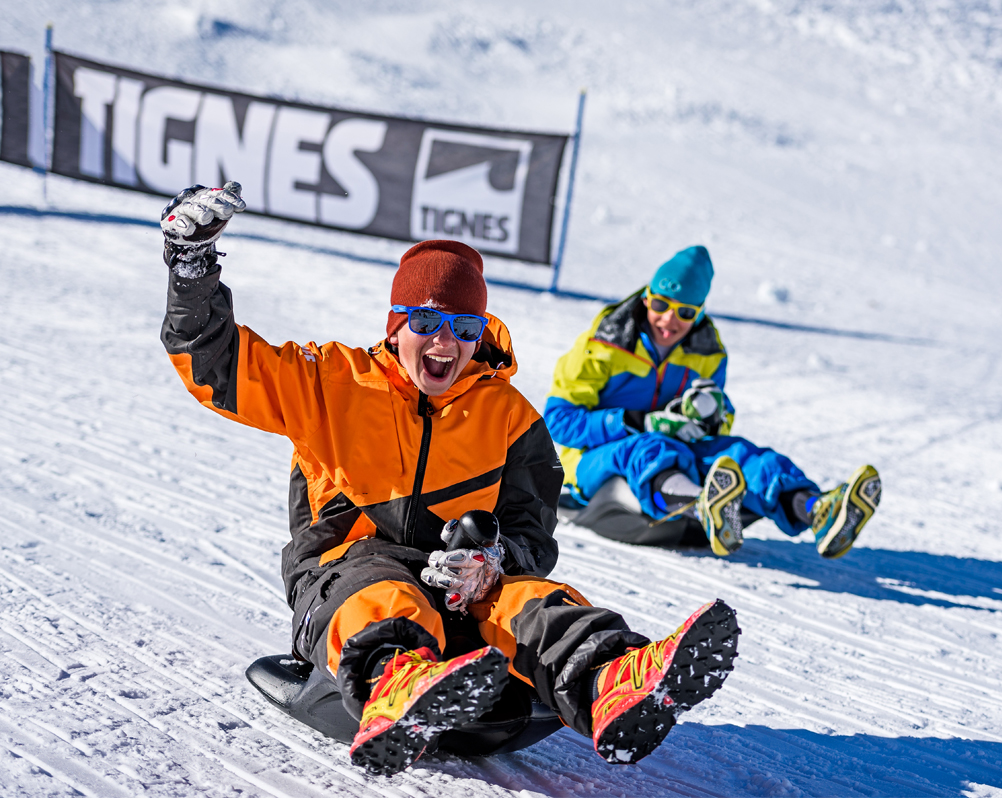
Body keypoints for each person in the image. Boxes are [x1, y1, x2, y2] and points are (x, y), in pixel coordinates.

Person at [158, 184, 740, 775]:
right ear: (395, 323)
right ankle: (396, 684)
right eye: (428, 319)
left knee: (527, 598)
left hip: (461, 592)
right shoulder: (331, 383)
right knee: (379, 589)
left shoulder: (508, 416)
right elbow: (215, 362)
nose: (446, 342)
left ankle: (614, 675)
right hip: (344, 575)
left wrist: (494, 557)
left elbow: (532, 534)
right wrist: (191, 268)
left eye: (465, 326)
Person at [545, 245, 882, 557]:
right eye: (660, 304)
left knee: (739, 453)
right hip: (594, 461)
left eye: (685, 312)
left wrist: (709, 416)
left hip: (674, 451)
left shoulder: (706, 352)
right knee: (649, 446)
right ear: (646, 298)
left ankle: (815, 510)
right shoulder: (603, 345)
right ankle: (700, 503)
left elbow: (716, 416)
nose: (668, 320)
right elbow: (558, 420)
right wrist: (635, 421)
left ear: (699, 313)